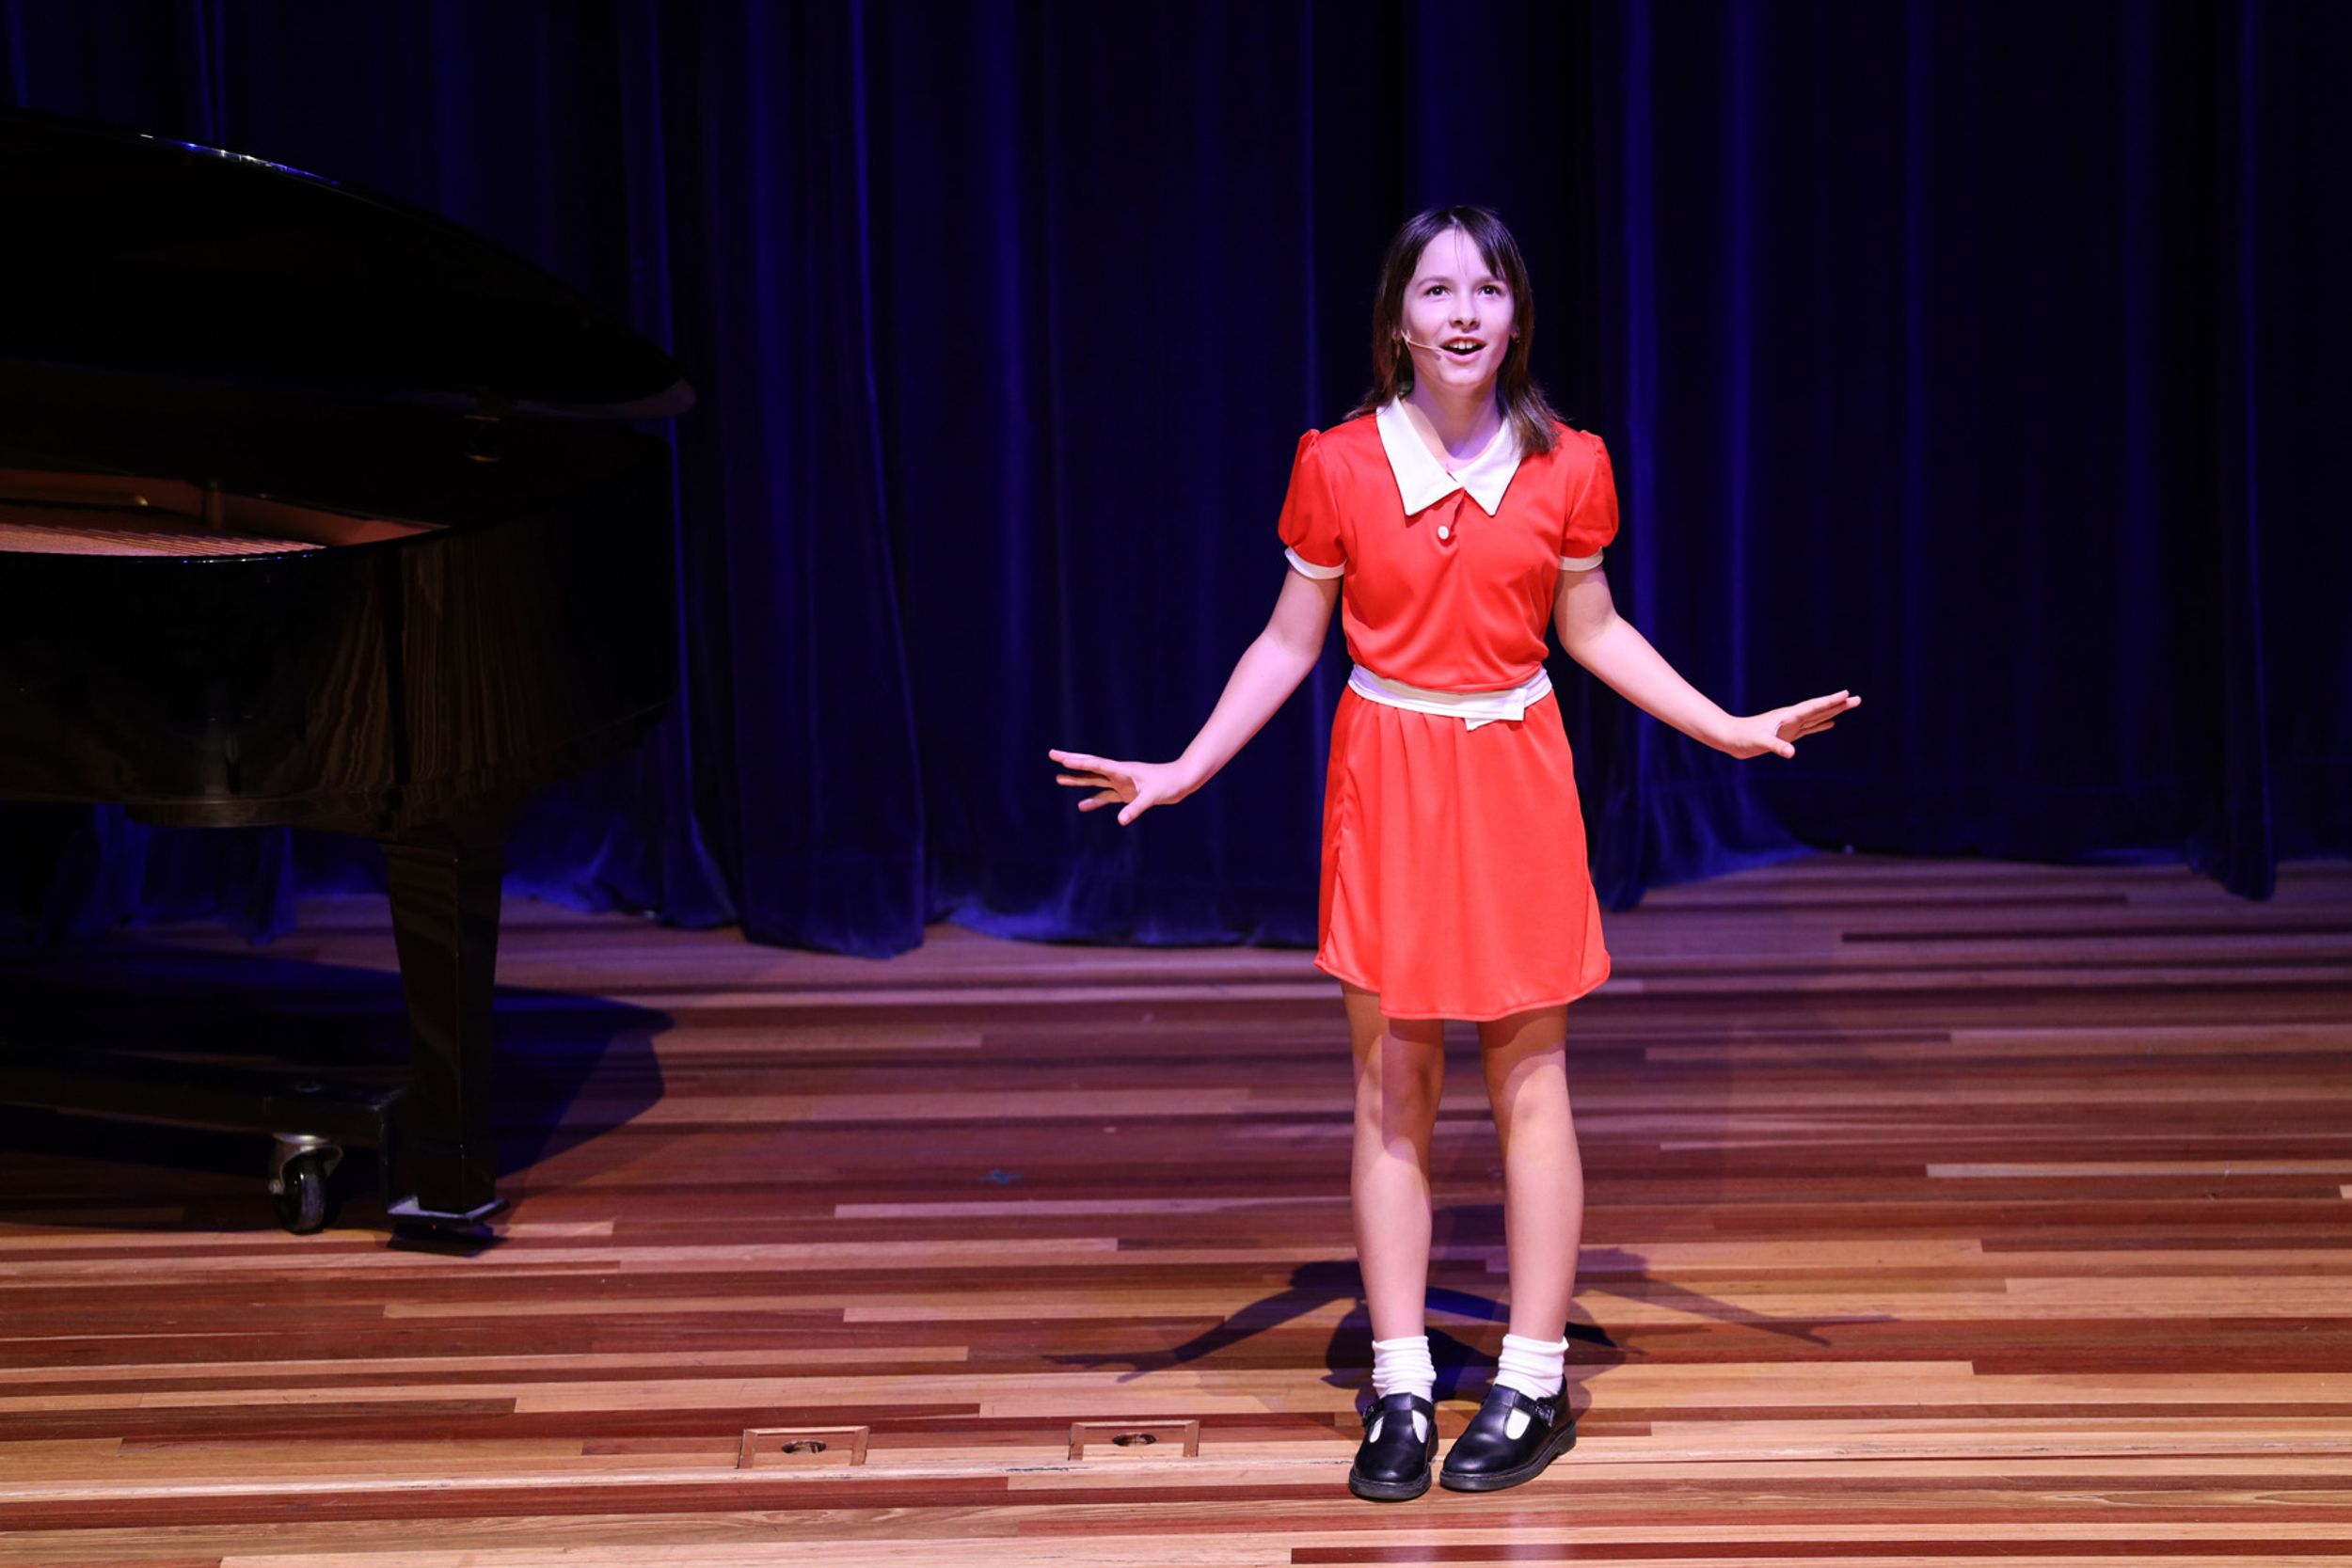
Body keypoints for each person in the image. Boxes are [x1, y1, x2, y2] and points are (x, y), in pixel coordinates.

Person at [1048, 205, 1859, 1502]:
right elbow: (1288, 641)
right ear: (1398, 324)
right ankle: (1402, 1381)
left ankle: (1531, 1381)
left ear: (1516, 317)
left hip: (1516, 777)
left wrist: (1727, 726)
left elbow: (1592, 628)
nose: (1465, 312)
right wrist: (1185, 766)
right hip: (1390, 778)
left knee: (1531, 1080)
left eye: (1487, 289)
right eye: (1437, 291)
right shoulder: (1337, 466)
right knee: (1394, 1088)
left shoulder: (1570, 465)